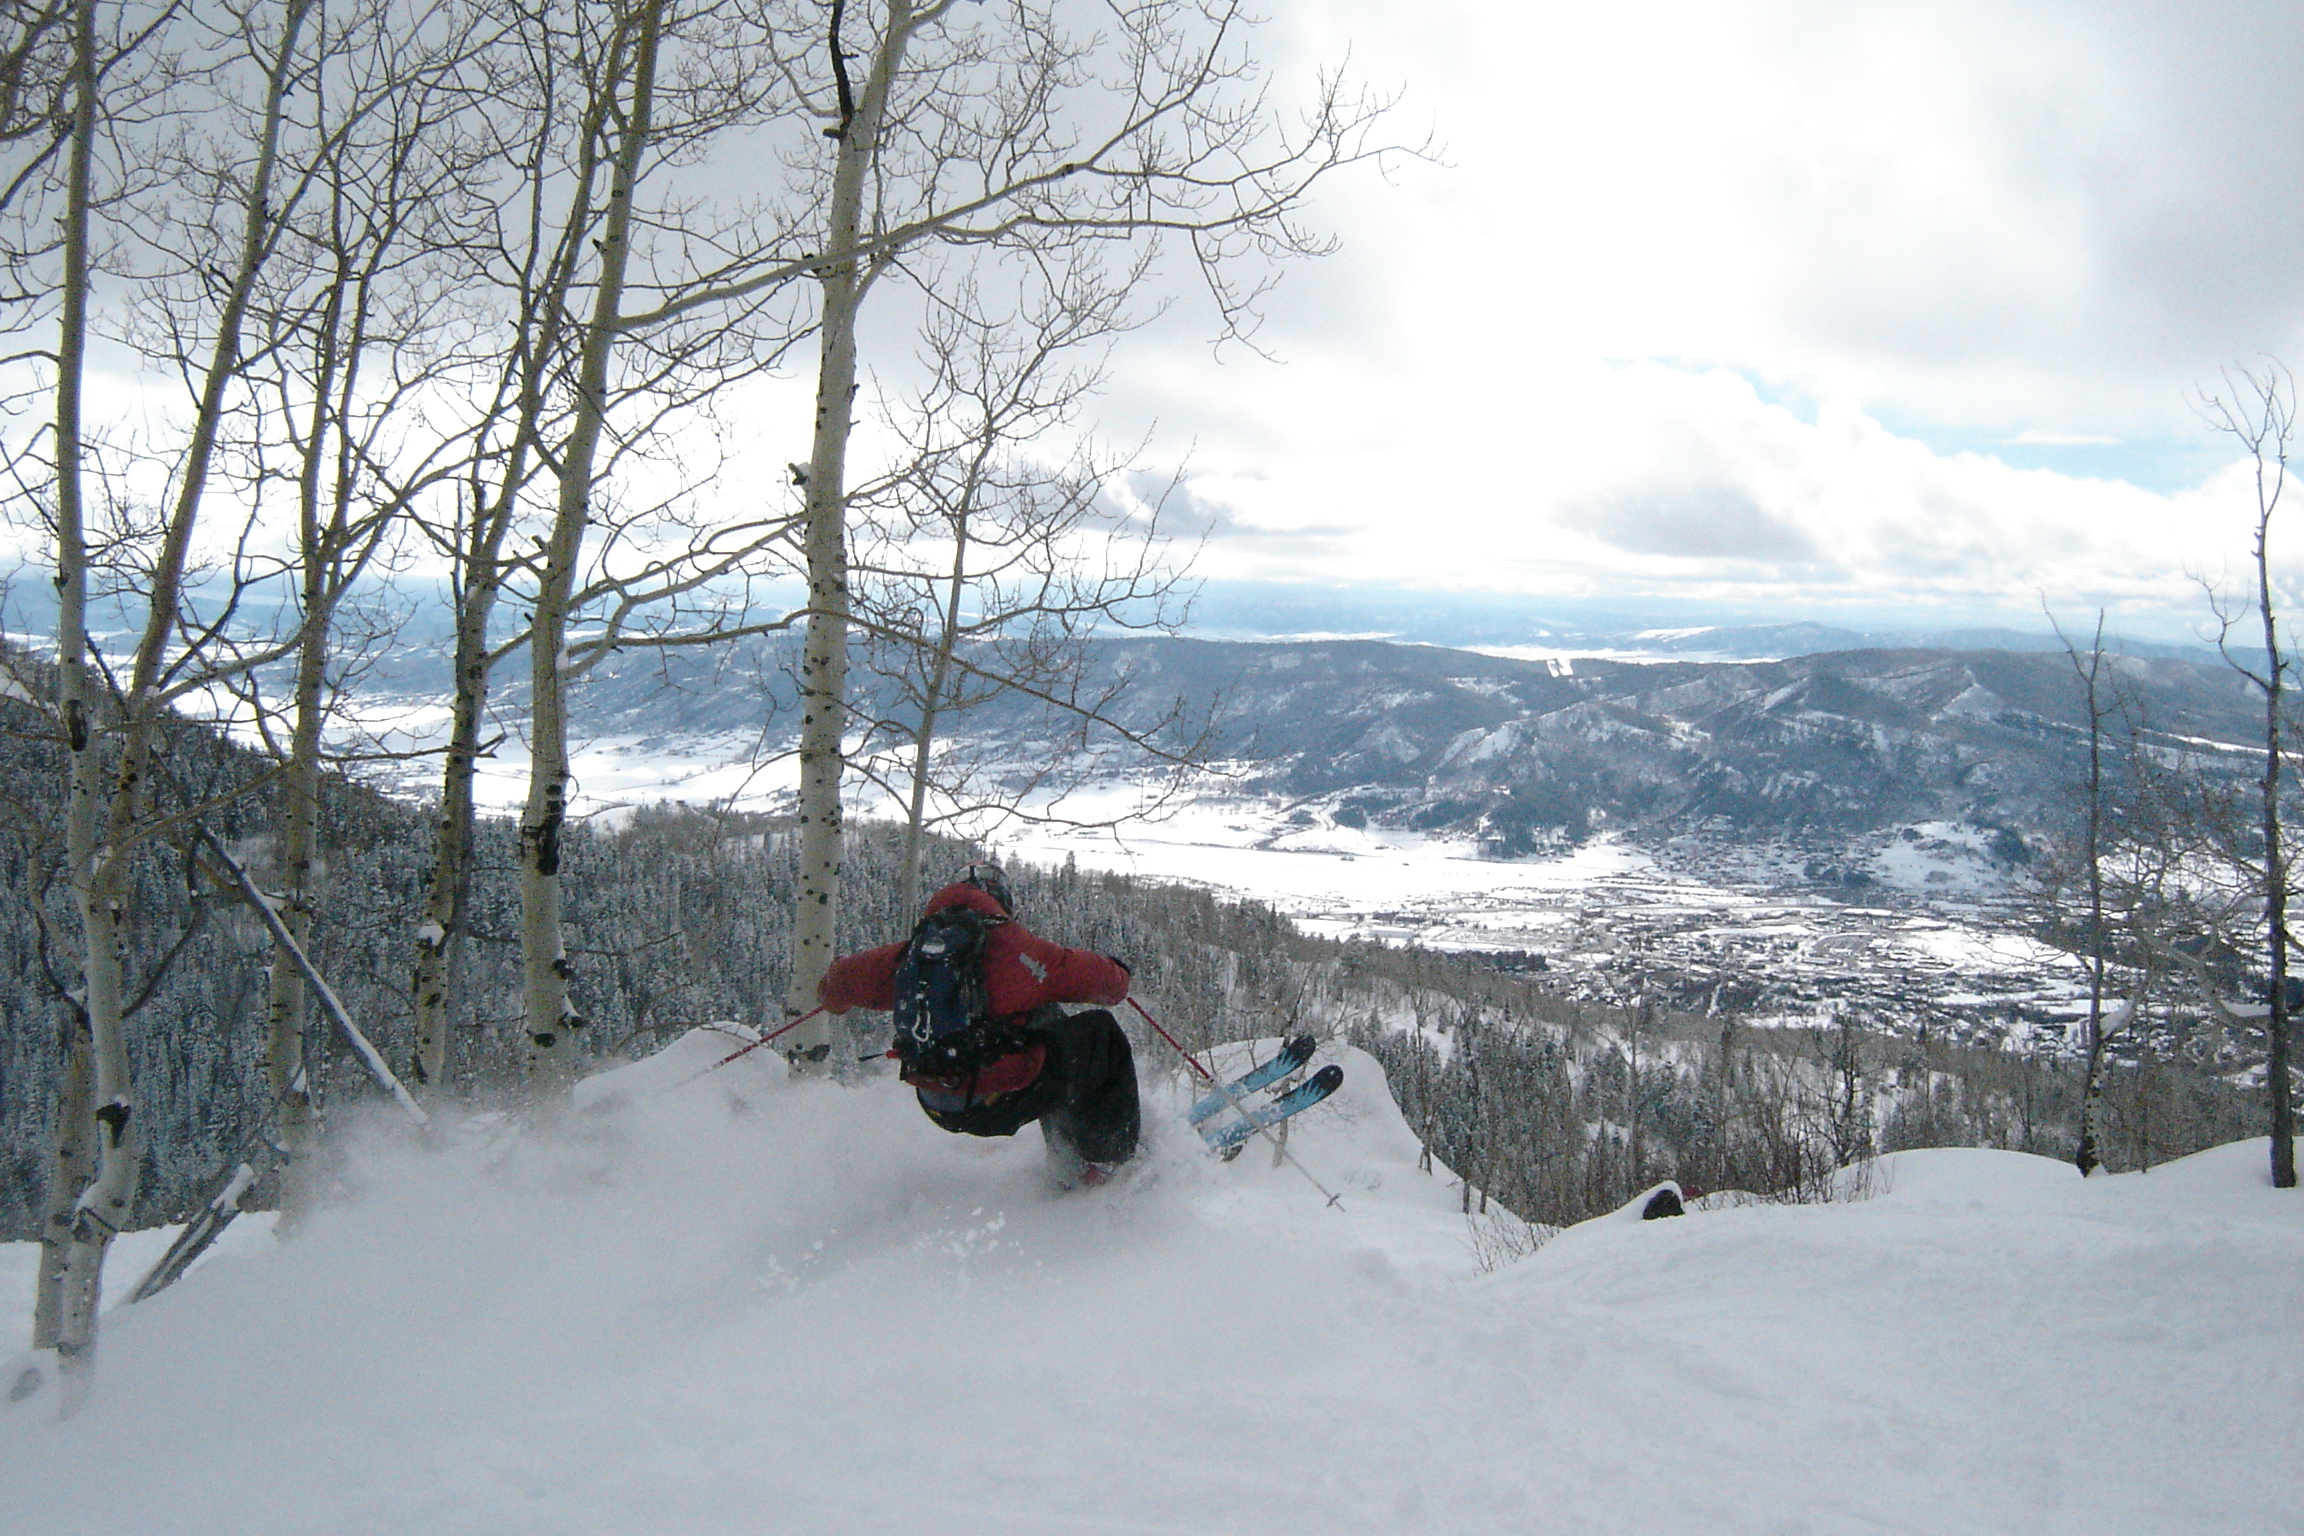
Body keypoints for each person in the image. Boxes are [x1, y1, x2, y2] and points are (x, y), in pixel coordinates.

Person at [816, 862, 1141, 1186]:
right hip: (994, 1101)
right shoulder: (1014, 948)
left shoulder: (913, 954)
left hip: (935, 1101)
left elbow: (837, 985)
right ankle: (1108, 1162)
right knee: (1100, 1034)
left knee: (1046, 1026)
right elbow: (1104, 983)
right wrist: (1119, 973)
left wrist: (832, 1000)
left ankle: (1067, 1156)